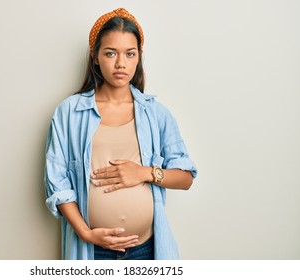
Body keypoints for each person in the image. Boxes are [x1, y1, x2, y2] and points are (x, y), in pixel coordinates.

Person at [44, 8, 197, 260]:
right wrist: (86, 233)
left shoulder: (156, 113)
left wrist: (144, 173)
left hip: (147, 251)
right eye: (110, 53)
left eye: (130, 53)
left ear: (138, 57)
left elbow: (186, 177)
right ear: (95, 56)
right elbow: (57, 182)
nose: (120, 63)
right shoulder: (69, 112)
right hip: (93, 251)